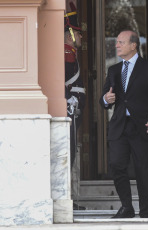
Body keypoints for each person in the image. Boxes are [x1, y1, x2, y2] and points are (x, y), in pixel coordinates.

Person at [99, 30, 148, 218]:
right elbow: (103, 100)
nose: (117, 45)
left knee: (143, 169)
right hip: (120, 125)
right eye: (117, 42)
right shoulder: (113, 70)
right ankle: (126, 206)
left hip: (143, 125)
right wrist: (106, 98)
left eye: (121, 42)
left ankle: (146, 209)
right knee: (116, 165)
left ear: (133, 45)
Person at [64, 11, 86, 210]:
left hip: (73, 111)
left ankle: (69, 199)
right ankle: (66, 200)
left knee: (71, 153)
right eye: (78, 34)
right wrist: (67, 97)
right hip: (69, 110)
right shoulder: (66, 54)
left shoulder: (71, 54)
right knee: (68, 153)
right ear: (70, 33)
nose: (80, 37)